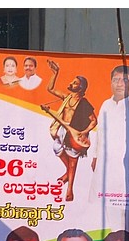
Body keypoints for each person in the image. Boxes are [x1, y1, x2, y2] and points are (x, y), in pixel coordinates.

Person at [89, 65, 129, 241]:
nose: (119, 84)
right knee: (112, 211)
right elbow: (100, 133)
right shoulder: (105, 105)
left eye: (124, 80)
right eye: (115, 80)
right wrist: (95, 156)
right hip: (109, 170)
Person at [41, 60, 97, 201]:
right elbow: (50, 89)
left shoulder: (84, 103)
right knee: (57, 149)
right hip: (61, 129)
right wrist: (55, 73)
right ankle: (68, 173)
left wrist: (83, 132)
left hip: (75, 132)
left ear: (81, 88)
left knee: (73, 161)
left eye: (75, 83)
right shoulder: (66, 98)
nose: (71, 84)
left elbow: (94, 121)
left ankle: (70, 190)